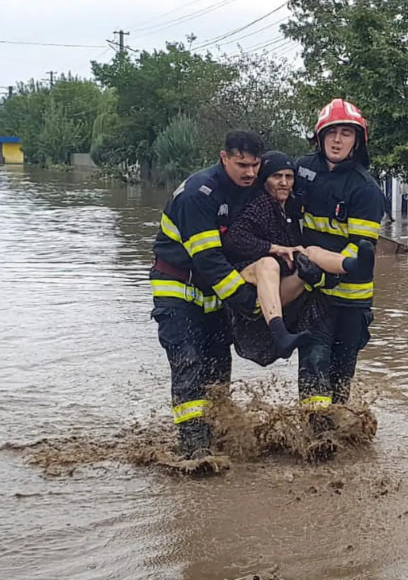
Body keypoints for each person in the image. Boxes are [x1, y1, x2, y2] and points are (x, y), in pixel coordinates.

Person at [150, 130, 265, 461]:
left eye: (255, 165)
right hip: (178, 289)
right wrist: (246, 301)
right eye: (242, 164)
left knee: (218, 366)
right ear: (223, 157)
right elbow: (208, 260)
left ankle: (217, 435)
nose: (249, 172)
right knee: (188, 362)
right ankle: (194, 450)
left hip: (214, 294)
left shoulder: (251, 190)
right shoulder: (198, 194)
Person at [222, 150, 375, 363]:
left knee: (310, 252)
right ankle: (280, 334)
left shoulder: (293, 209)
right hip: (251, 286)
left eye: (289, 177)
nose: (284, 182)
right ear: (264, 180)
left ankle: (353, 265)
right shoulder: (260, 205)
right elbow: (234, 239)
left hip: (280, 287)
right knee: (269, 264)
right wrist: (272, 248)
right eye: (277, 177)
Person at [293, 98, 385, 449]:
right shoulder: (301, 171)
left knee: (340, 377)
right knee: (313, 366)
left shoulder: (365, 189)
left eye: (345, 133)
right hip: (313, 296)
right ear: (319, 137)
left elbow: (359, 252)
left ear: (356, 140)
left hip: (351, 302)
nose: (337, 140)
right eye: (331, 132)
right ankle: (316, 443)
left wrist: (323, 266)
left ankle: (339, 433)